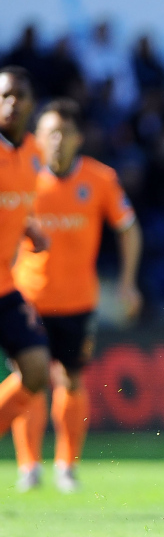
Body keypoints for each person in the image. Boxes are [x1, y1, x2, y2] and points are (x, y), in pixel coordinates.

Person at [11, 98, 142, 492]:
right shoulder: (21, 175)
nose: (57, 140)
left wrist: (128, 282)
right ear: (37, 137)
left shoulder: (100, 178)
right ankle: (29, 467)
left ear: (78, 138)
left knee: (71, 380)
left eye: (65, 133)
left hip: (78, 301)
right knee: (29, 379)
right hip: (27, 298)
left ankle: (66, 466)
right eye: (50, 132)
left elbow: (128, 228)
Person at [0, 67, 51, 465]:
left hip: (4, 283)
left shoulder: (34, 152)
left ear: (32, 104)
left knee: (36, 369)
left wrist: (29, 226)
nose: (12, 103)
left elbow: (19, 201)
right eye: (5, 95)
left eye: (19, 95)